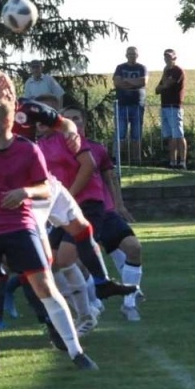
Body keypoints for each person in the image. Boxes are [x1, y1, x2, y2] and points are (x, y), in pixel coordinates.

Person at [0, 98, 96, 376]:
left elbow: (45, 188)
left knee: (44, 286)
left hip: (19, 225)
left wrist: (25, 193)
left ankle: (76, 351)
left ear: (7, 122)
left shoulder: (28, 150)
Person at [69, 109, 147, 322]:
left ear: (84, 121)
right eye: (68, 118)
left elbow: (110, 177)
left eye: (76, 116)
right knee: (78, 264)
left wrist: (119, 205)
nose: (72, 121)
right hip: (75, 213)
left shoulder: (96, 148)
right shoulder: (56, 149)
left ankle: (129, 304)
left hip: (104, 211)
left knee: (134, 248)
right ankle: (91, 306)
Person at [112, 46, 148, 166]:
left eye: (134, 54)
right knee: (120, 133)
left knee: (136, 134)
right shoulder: (120, 67)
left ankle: (136, 161)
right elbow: (117, 83)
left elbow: (143, 82)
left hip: (137, 105)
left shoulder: (142, 68)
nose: (132, 56)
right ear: (126, 55)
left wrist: (126, 81)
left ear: (137, 55)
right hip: (122, 105)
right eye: (130, 54)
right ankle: (117, 160)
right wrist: (134, 83)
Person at [155, 49, 187, 169]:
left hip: (175, 106)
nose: (167, 59)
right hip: (165, 106)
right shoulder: (166, 72)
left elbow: (168, 84)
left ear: (174, 58)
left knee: (178, 134)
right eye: (165, 57)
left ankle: (182, 161)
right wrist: (164, 80)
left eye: (169, 57)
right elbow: (157, 90)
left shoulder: (177, 71)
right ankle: (172, 162)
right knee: (169, 136)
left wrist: (163, 84)